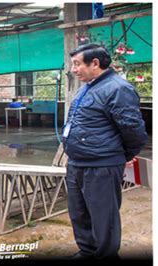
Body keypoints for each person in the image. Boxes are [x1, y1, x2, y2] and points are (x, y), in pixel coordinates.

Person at [63, 43, 148, 259]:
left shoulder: (117, 88)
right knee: (79, 214)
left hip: (101, 165)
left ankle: (105, 255)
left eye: (77, 64)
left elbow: (133, 130)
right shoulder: (89, 86)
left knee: (103, 217)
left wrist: (123, 156)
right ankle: (87, 251)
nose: (73, 69)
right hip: (77, 163)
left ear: (95, 63)